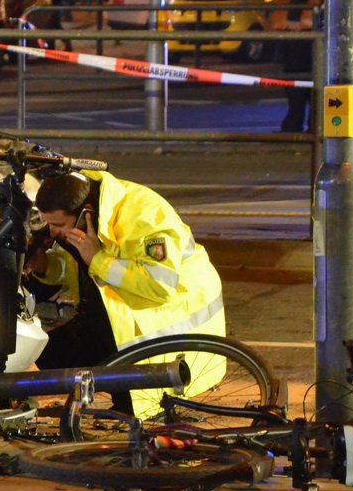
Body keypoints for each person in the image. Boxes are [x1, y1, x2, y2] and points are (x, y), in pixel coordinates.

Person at [26, 170, 226, 418]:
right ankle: (122, 404)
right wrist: (45, 266)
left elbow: (158, 286)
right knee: (48, 358)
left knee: (132, 407)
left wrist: (98, 259)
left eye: (58, 225)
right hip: (112, 312)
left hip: (164, 315)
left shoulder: (145, 215)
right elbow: (76, 269)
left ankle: (132, 409)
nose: (52, 232)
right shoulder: (93, 215)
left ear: (85, 212)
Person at [276, 0, 322, 132]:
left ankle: (295, 125)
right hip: (313, 36)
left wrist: (293, 19)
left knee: (298, 81)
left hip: (303, 39)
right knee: (311, 85)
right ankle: (312, 126)